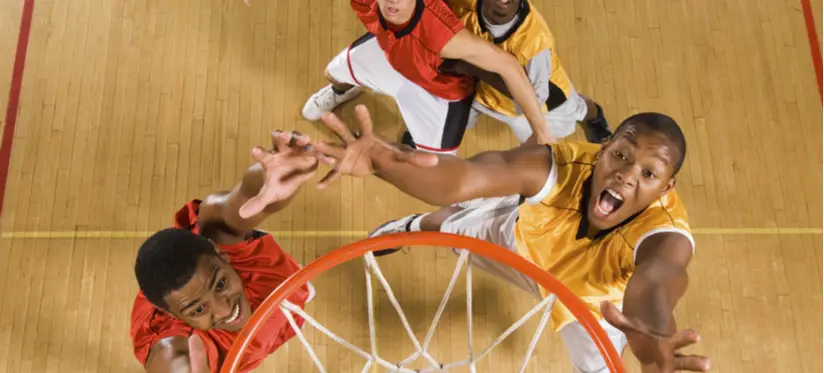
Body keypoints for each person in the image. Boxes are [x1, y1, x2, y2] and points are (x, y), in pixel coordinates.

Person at [309, 105, 711, 373]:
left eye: (649, 174)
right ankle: (413, 226)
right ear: (603, 149)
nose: (627, 175)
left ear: (666, 187)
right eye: (621, 155)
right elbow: (462, 178)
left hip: (592, 307)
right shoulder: (556, 166)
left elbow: (657, 281)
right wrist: (380, 161)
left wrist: (652, 330)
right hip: (520, 245)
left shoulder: (667, 235)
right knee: (447, 227)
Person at [130, 131, 326, 373]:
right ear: (172, 314)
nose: (224, 310)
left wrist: (266, 175)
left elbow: (241, 201)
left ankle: (296, 296)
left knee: (284, 302)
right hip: (257, 335)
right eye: (198, 309)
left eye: (220, 284)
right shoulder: (175, 350)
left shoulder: (217, 235)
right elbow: (172, 362)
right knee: (271, 319)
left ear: (221, 255)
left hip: (275, 306)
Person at [301, 0, 554, 154]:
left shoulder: (442, 34)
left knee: (430, 163)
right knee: (332, 74)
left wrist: (541, 132)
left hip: (439, 94)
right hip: (392, 55)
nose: (393, 2)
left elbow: (508, 65)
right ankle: (344, 91)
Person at [440, 0, 612, 143]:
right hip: (479, 91)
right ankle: (423, 140)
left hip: (541, 102)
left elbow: (531, 98)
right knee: (450, 117)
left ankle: (594, 117)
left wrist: (473, 69)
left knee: (578, 108)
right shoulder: (465, 4)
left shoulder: (535, 42)